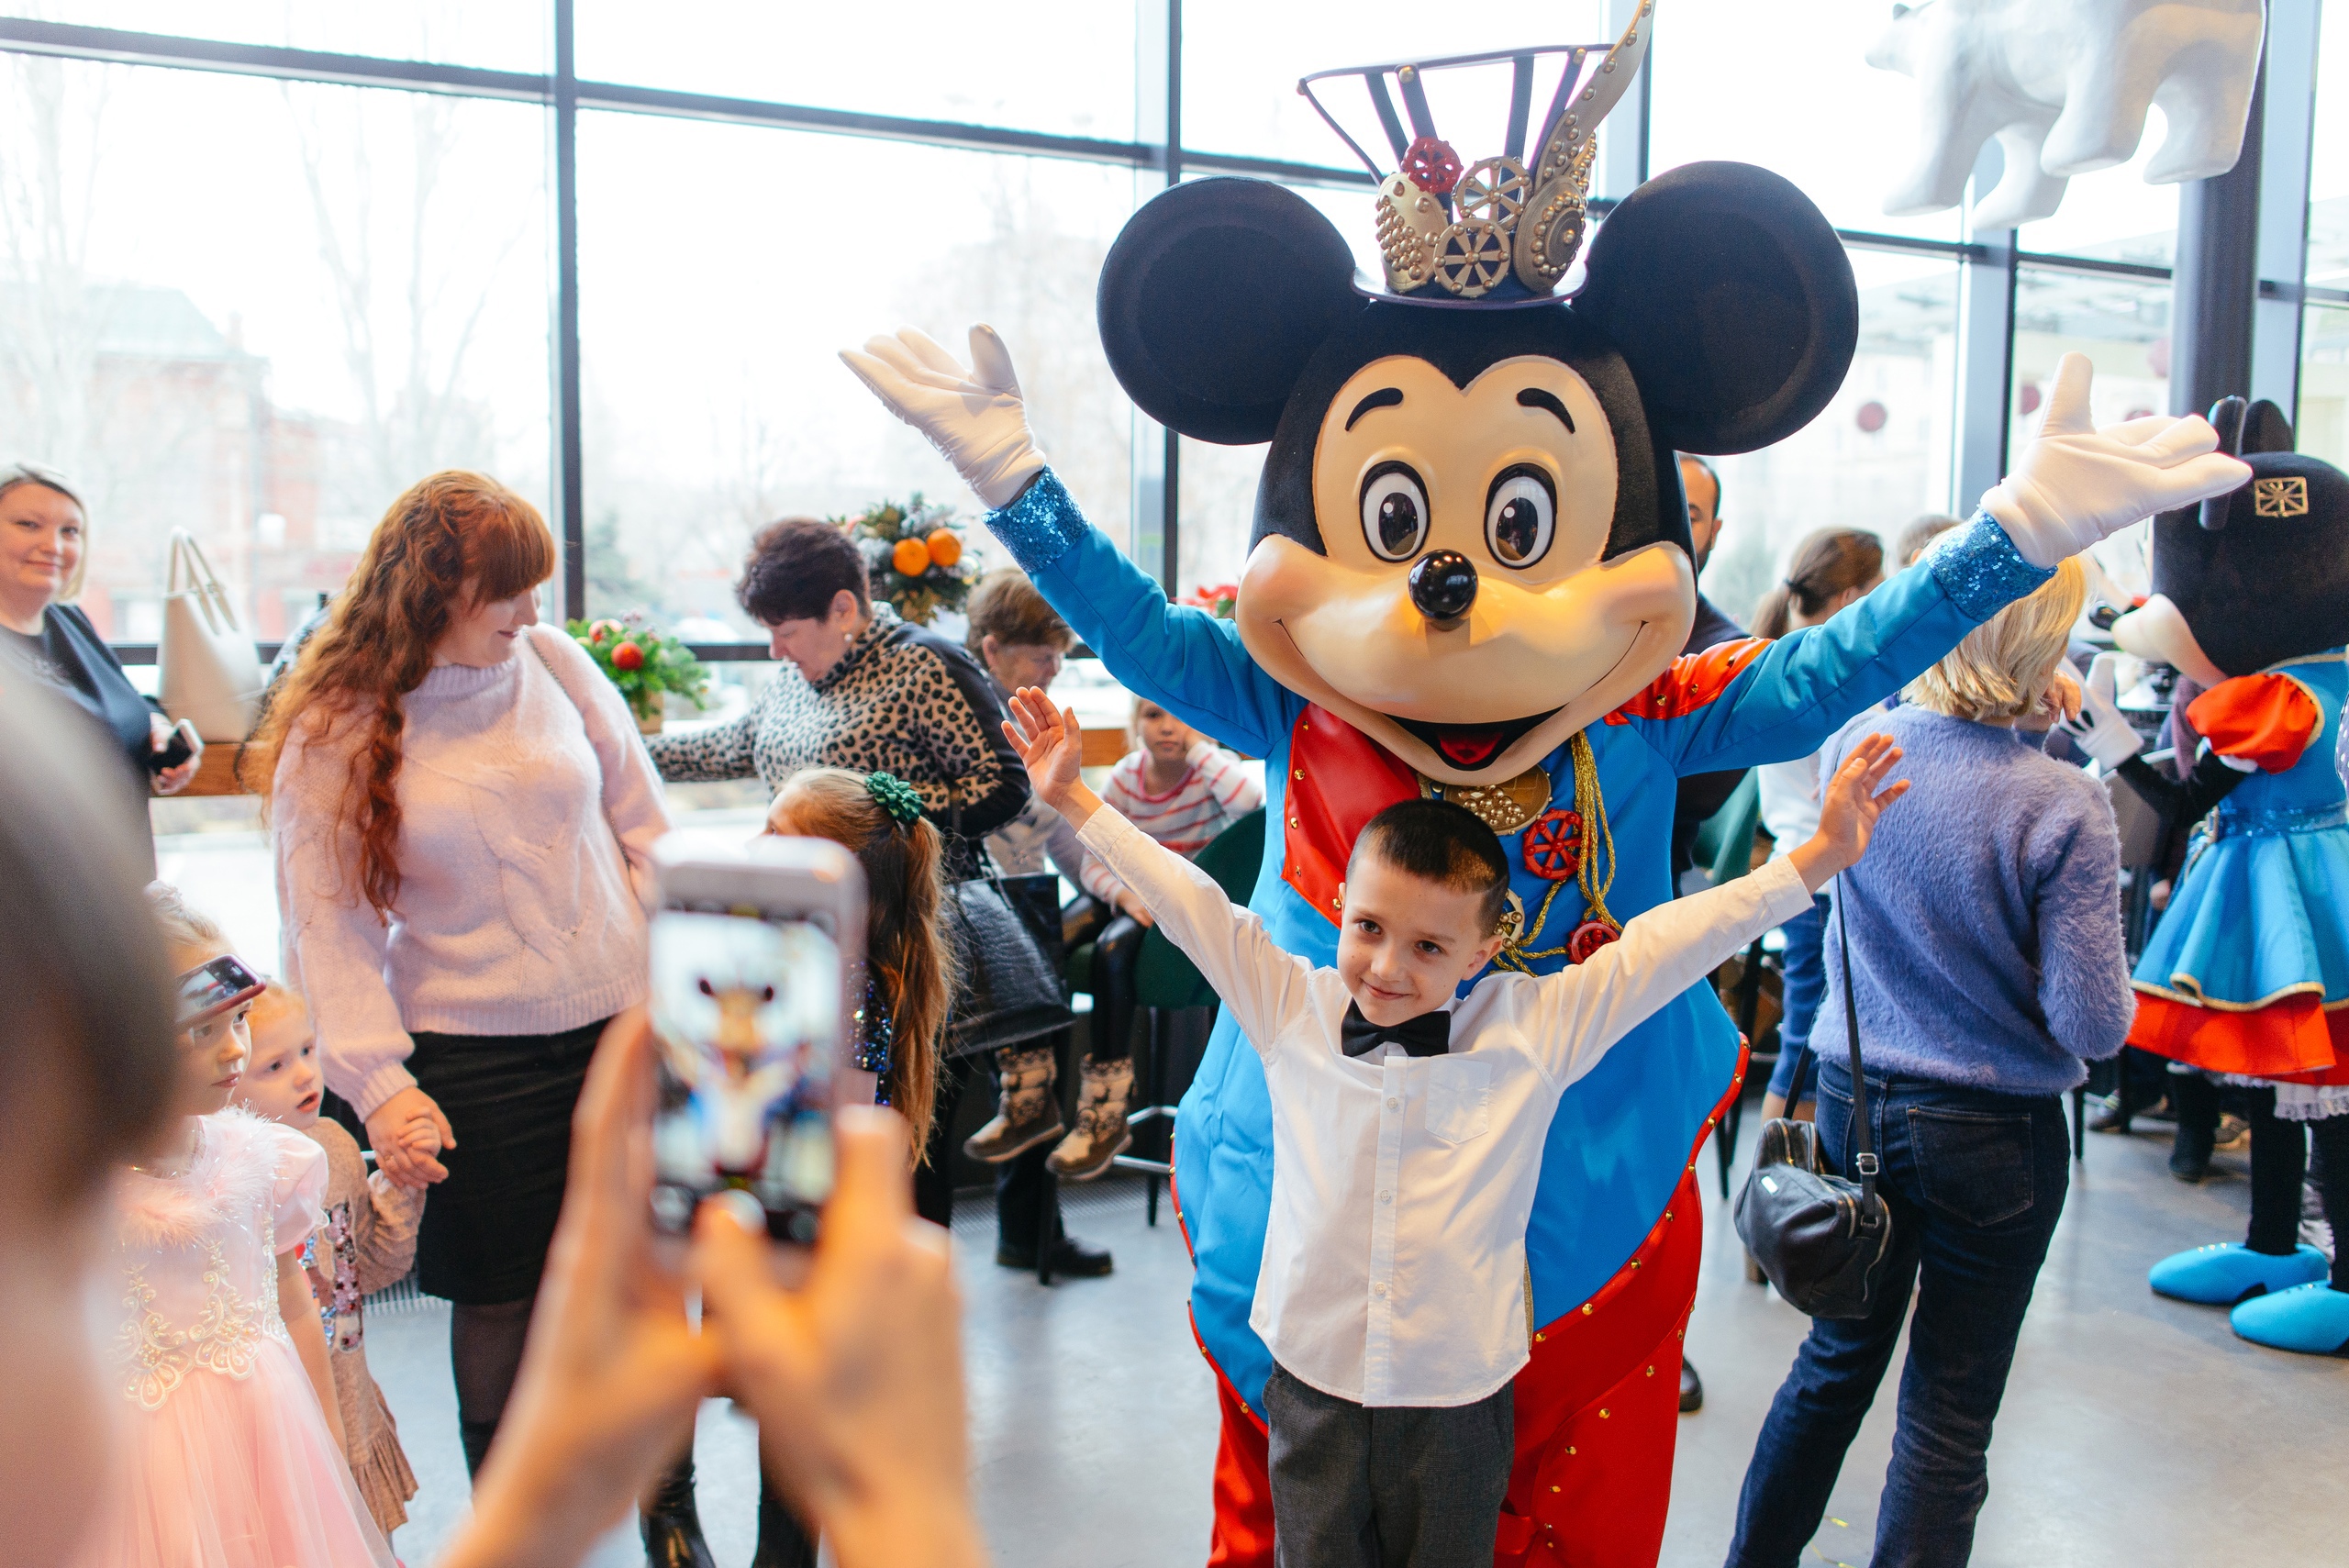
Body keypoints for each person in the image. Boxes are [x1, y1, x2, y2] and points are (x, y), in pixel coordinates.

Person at [0, 683, 993, 1568]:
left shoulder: (868, 997)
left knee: (774, 1378)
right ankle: (674, 1509)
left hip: (795, 1216)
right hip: (731, 1203)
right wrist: (913, 1511)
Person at [1004, 684, 1906, 1567]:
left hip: (1459, 1396)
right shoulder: (1291, 1005)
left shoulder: (1532, 1030)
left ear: (1482, 950)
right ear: (1342, 908)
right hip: (1311, 1379)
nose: (1386, 967)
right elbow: (1189, 900)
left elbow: (1672, 944)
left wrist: (1817, 856)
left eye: (1428, 946)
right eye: (1368, 927)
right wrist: (1073, 797)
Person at [252, 470, 671, 1480]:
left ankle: (670, 1504)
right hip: (475, 1059)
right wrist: (381, 1086)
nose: (530, 612)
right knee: (502, 1295)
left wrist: (679, 987)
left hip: (624, 1026)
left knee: (648, 1272)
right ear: (432, 590)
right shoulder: (338, 725)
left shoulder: (557, 664)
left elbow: (646, 829)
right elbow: (327, 929)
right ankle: (511, 1517)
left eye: (535, 588)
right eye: (507, 591)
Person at [1726, 560, 2131, 1568]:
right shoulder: (2066, 805)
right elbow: (2091, 1023)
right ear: (2048, 651)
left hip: (1855, 1097)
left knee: (1830, 1367)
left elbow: (1938, 750)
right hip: (1994, 1132)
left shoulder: (1860, 751)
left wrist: (2009, 700)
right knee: (1948, 1414)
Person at [648, 519, 1108, 1278]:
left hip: (899, 932)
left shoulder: (924, 664)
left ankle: (902, 1304)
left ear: (842, 608)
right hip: (812, 947)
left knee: (900, 1148)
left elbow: (1002, 781)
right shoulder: (795, 682)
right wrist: (619, 749)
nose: (776, 649)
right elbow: (727, 747)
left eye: (787, 631)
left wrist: (887, 818)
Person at [642, 765, 960, 1568]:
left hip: (806, 1238)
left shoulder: (850, 989)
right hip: (796, 1228)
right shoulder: (832, 970)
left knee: (796, 1425)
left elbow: (831, 1127)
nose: (755, 846)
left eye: (778, 836)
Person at [72, 884, 392, 1568]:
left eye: (239, 1021)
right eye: (202, 1032)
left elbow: (292, 1300)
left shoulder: (264, 1160)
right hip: (146, 1468)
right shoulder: (80, 1193)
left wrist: (327, 1436)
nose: (235, 1052)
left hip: (271, 1440)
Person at [1026, 695, 1264, 1178]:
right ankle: (1028, 1088)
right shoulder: (1126, 777)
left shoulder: (1209, 774)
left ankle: (1106, 1106)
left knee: (1113, 950)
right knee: (1048, 937)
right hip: (1125, 891)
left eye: (1180, 715)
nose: (1168, 727)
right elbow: (1093, 861)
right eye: (1154, 715)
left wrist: (1202, 747)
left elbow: (1249, 804)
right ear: (1136, 725)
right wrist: (1123, 895)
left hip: (1175, 900)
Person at [234, 982, 427, 1540]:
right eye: (274, 1066)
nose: (304, 1075)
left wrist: (400, 1184)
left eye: (307, 1050)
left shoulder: (335, 1148)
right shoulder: (232, 1179)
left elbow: (366, 1273)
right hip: (274, 1423)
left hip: (345, 1398)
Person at [1746, 529, 1887, 1124]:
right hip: (1822, 883)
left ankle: (1785, 1172)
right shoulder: (1826, 678)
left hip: (1798, 870)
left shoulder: (1778, 659)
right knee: (1806, 1050)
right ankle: (1780, 1173)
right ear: (1850, 597)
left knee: (1806, 1042)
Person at [0, 462, 198, 863]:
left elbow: (123, 702)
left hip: (120, 878)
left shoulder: (70, 620)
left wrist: (158, 728)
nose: (54, 546)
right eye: (28, 525)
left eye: (70, 531)